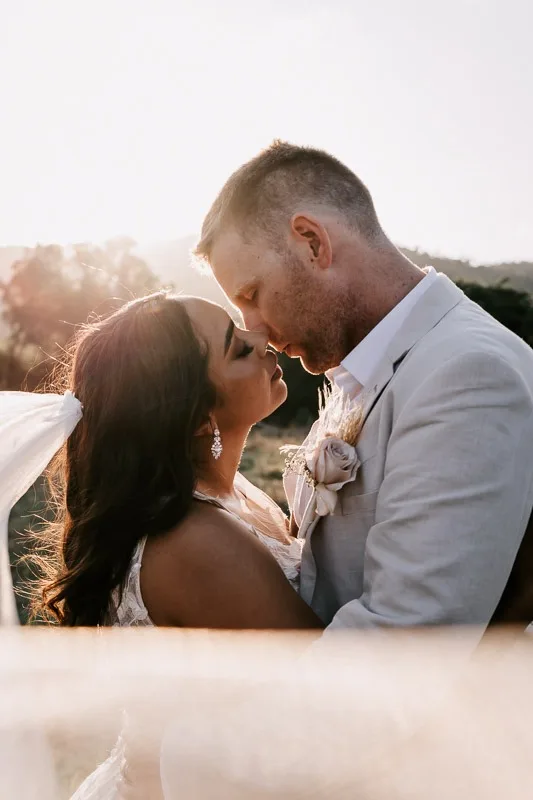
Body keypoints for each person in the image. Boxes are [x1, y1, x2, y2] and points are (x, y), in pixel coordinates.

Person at [195, 139, 533, 634]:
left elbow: (404, 640)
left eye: (252, 294)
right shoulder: (367, 367)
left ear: (312, 242)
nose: (256, 329)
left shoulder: (468, 374)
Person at [0, 291, 321, 798]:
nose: (264, 341)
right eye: (237, 349)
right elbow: (342, 689)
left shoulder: (228, 492)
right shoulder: (196, 542)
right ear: (197, 418)